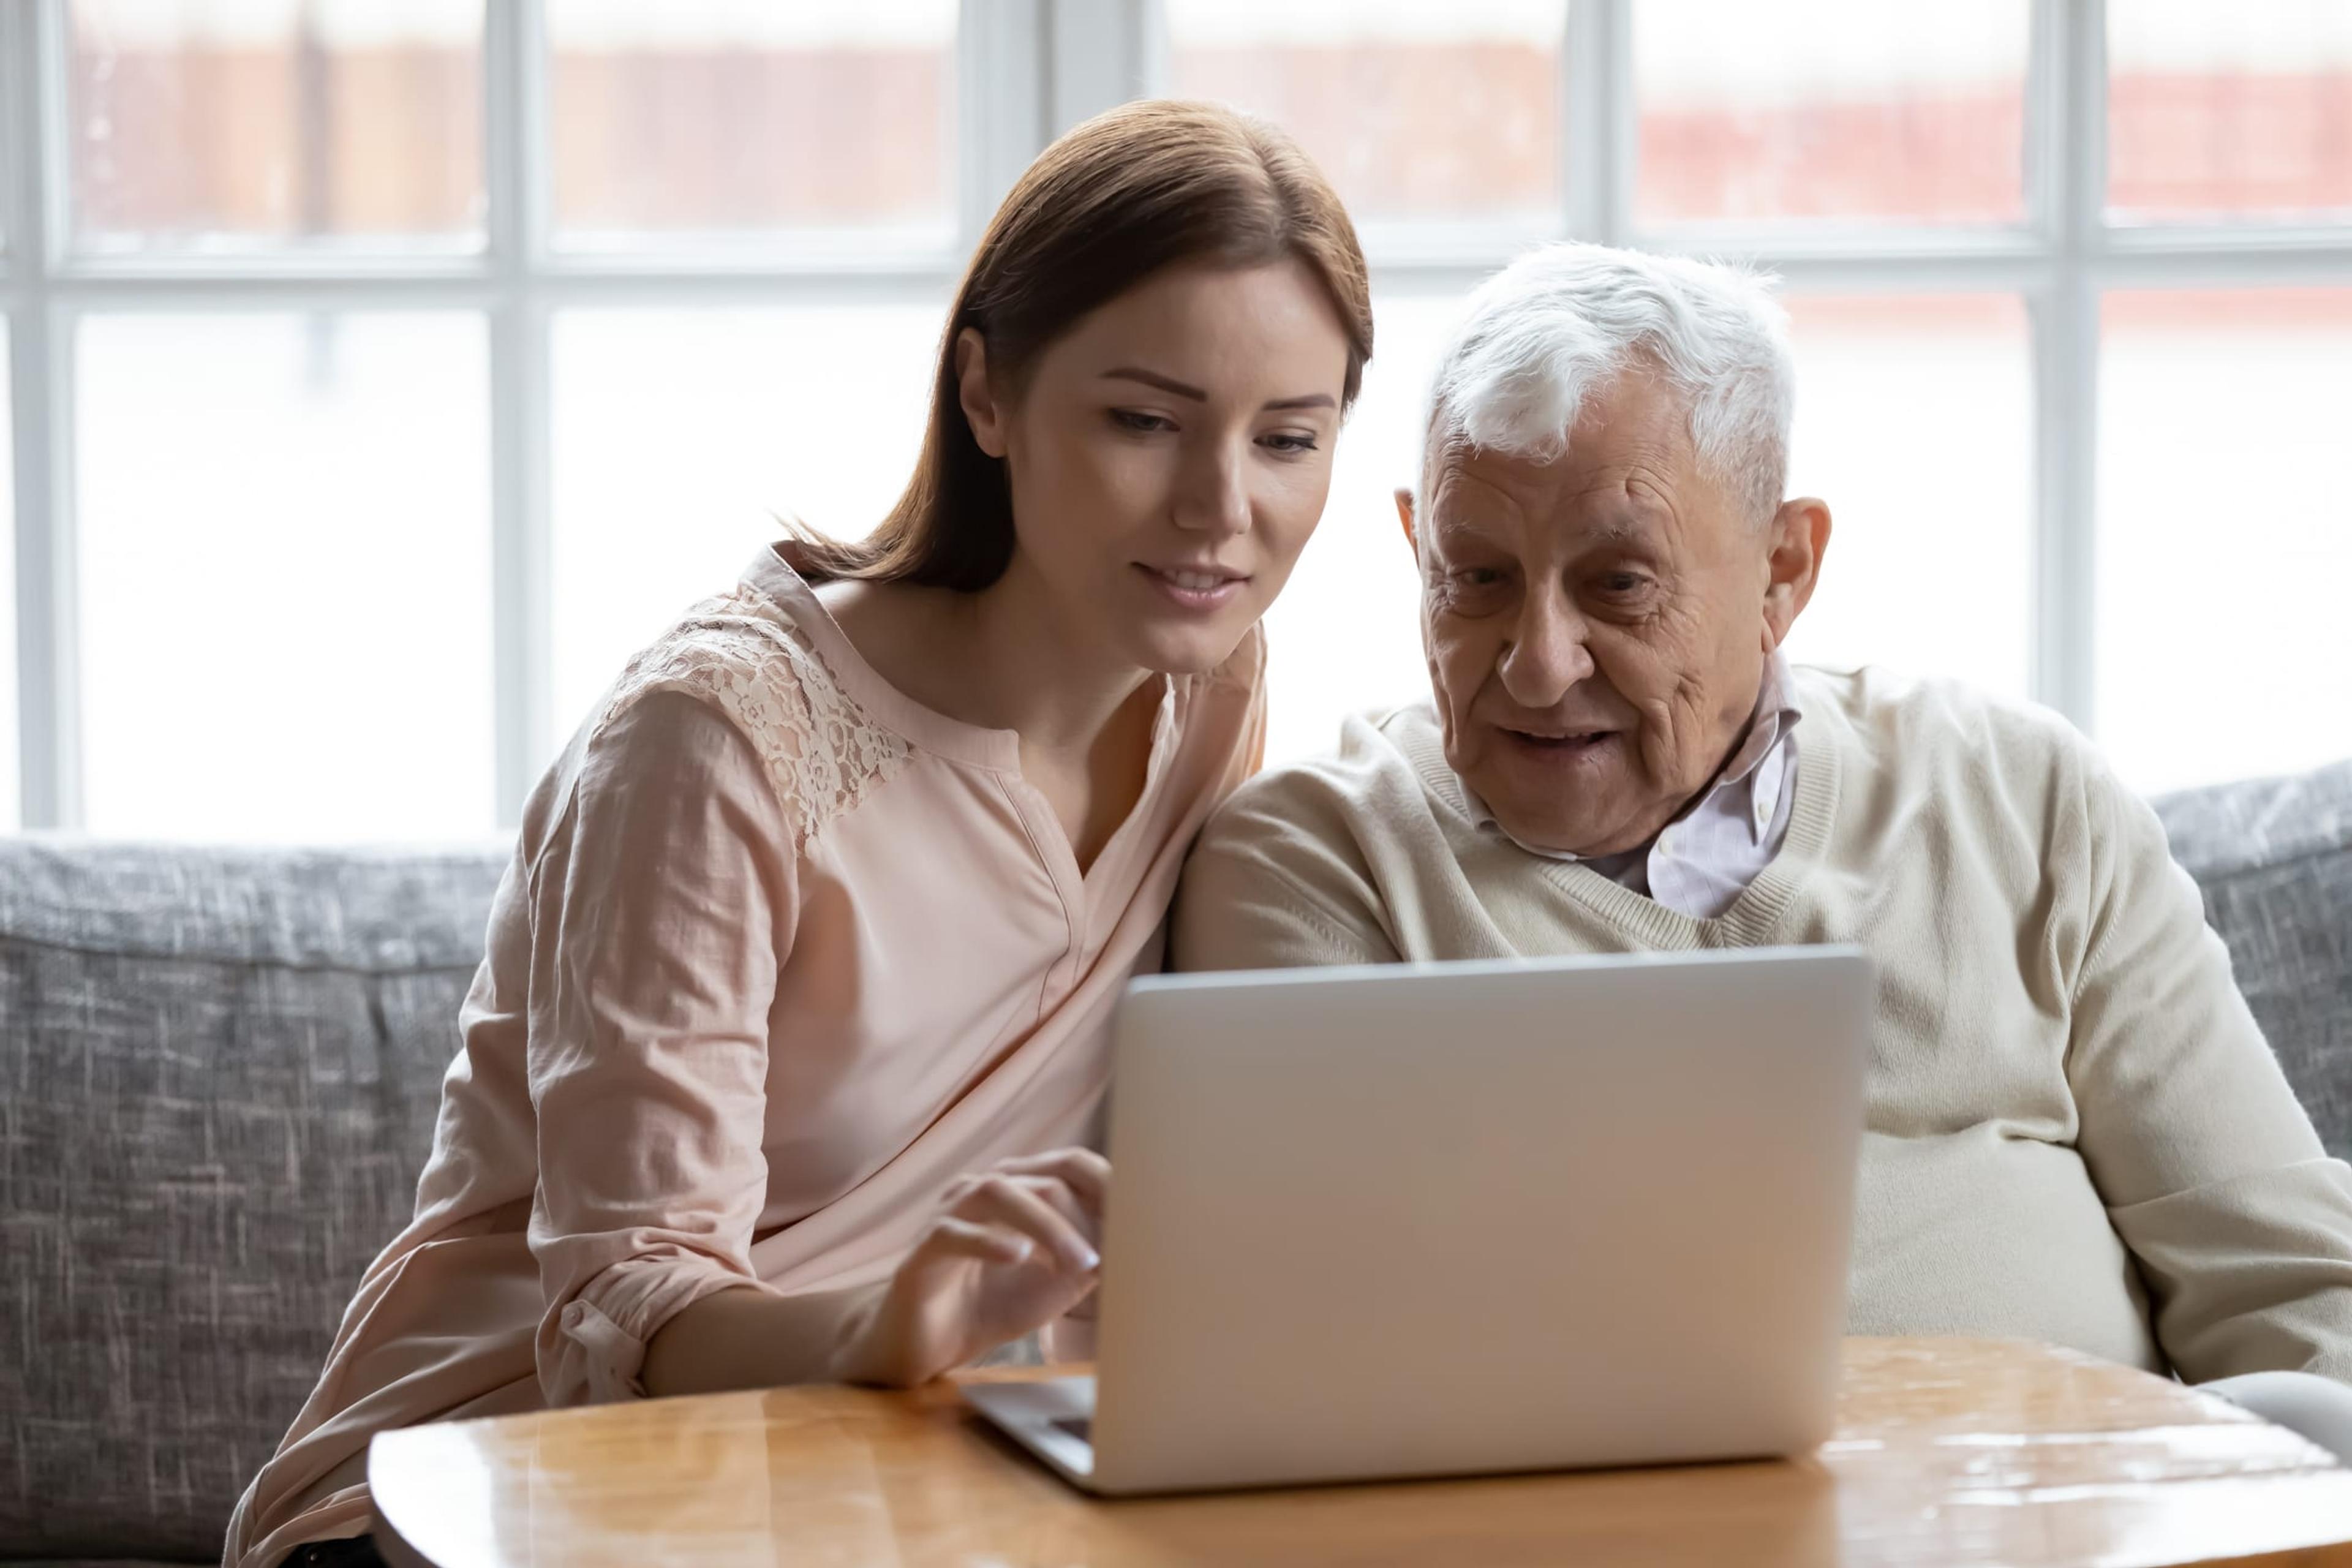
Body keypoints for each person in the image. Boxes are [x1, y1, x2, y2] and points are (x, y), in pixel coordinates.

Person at [227, 99, 1372, 1568]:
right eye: (1143, 421)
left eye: (1289, 437)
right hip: (505, 1486)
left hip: (883, 1484)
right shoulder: (714, 743)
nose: (1223, 509)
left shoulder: (1211, 689)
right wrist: (888, 1325)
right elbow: (615, 1305)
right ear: (989, 397)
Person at [1172, 243, 2352, 1406]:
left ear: (1785, 568)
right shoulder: (1318, 866)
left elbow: (2294, 1292)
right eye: (1475, 577)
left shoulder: (2023, 794)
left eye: (1620, 583)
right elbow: (1321, 1370)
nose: (1536, 664)